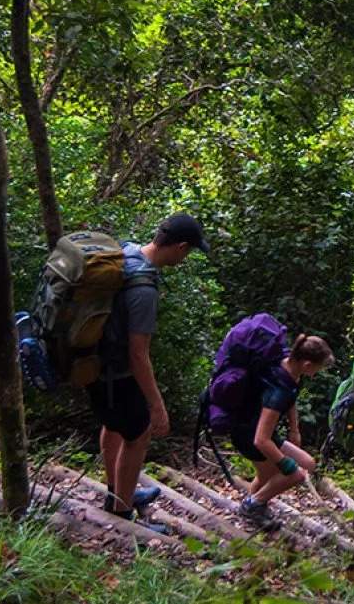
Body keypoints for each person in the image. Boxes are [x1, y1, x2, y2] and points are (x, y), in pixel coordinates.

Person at [91, 213, 209, 533]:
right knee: (138, 433)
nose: (185, 258)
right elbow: (138, 354)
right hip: (116, 372)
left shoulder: (127, 252)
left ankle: (119, 491)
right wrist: (157, 405)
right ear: (180, 247)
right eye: (188, 252)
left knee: (114, 426)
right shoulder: (143, 287)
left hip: (93, 364)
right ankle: (122, 511)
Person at [233, 335, 335, 529]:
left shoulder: (288, 366)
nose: (318, 372)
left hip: (262, 431)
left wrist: (294, 429)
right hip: (248, 434)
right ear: (307, 365)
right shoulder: (279, 391)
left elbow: (292, 396)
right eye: (318, 368)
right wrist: (285, 463)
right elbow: (260, 440)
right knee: (293, 474)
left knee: (308, 464)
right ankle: (252, 506)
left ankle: (255, 504)